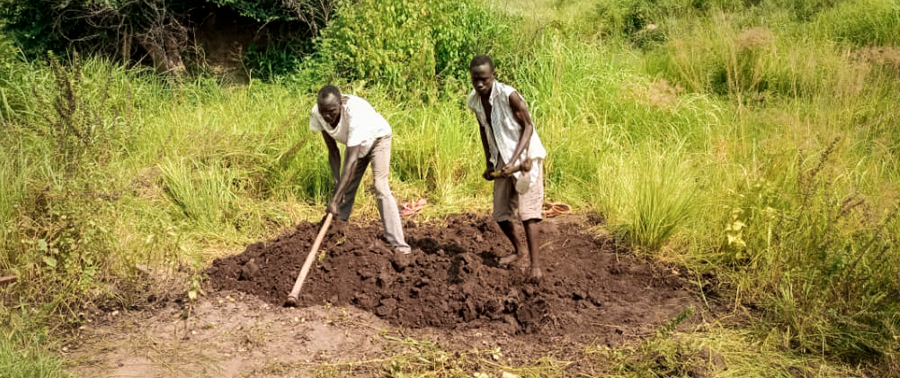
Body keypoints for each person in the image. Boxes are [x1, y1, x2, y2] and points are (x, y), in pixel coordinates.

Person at [466, 55, 547, 279]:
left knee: (528, 213)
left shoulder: (508, 95)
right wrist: (489, 162)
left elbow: (528, 127)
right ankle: (519, 250)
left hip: (526, 156)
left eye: (484, 79)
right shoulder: (474, 101)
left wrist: (517, 161)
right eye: (475, 80)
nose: (480, 84)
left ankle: (535, 266)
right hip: (502, 158)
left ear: (494, 75)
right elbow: (484, 129)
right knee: (501, 214)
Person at [309, 85, 411, 254]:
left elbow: (352, 159)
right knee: (344, 189)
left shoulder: (355, 114)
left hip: (378, 139)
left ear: (340, 105)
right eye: (323, 111)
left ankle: (400, 246)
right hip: (355, 146)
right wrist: (337, 183)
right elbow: (333, 151)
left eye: (332, 111)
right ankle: (335, 235)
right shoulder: (318, 113)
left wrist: (335, 200)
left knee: (380, 186)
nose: (327, 116)